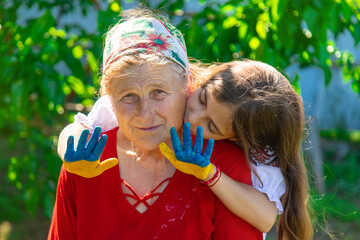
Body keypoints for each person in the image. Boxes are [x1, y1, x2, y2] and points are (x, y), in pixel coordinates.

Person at [48, 9, 262, 240]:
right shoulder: (85, 163)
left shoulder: (222, 166)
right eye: (128, 96)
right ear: (108, 98)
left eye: (158, 92)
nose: (144, 114)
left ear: (187, 86)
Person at [69, 60, 314, 240]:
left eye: (212, 127)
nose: (193, 118)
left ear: (236, 138)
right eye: (203, 99)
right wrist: (68, 156)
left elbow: (265, 218)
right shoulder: (170, 89)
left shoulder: (243, 159)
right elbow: (77, 129)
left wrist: (209, 173)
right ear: (208, 79)